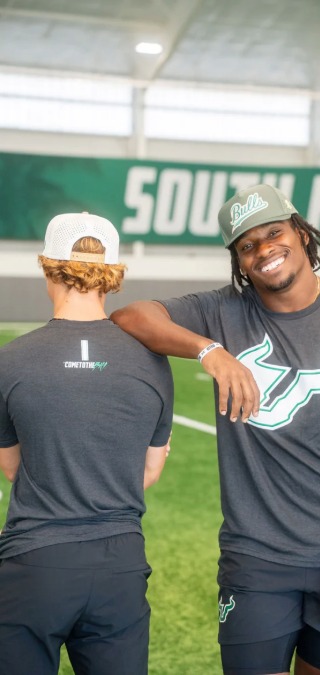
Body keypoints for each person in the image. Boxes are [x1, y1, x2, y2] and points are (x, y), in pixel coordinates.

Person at [111, 184, 320, 675]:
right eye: (247, 246)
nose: (264, 250)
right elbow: (129, 315)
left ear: (302, 234)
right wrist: (210, 350)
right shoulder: (223, 312)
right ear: (239, 262)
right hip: (257, 559)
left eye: (274, 233)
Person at [0, 213, 173, 675]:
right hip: (120, 566)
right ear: (113, 274)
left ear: (47, 266)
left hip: (35, 562)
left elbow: (14, 468)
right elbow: (150, 471)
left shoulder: (10, 359)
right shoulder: (154, 363)